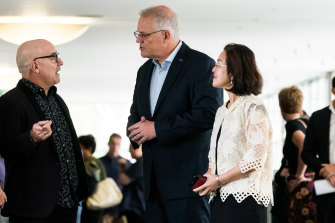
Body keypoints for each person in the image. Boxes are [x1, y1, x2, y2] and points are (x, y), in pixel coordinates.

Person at [127, 5, 223, 223]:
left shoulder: (201, 65)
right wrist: (135, 132)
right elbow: (135, 113)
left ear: (166, 35)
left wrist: (157, 129)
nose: (137, 40)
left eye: (143, 35)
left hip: (188, 183)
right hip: (152, 184)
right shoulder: (144, 71)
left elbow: (208, 114)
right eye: (137, 34)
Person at [0, 39, 87, 222]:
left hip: (67, 204)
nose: (60, 62)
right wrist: (30, 138)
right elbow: (5, 149)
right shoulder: (10, 102)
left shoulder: (58, 100)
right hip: (33, 208)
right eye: (54, 57)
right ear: (35, 66)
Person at [193, 43, 272, 223]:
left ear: (234, 72)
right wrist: (210, 177)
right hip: (220, 199)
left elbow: (255, 158)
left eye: (219, 64)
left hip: (245, 200)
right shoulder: (222, 110)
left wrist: (219, 179)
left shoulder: (253, 106)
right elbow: (218, 157)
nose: (213, 69)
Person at [272, 86, 316, 223]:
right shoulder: (306, 122)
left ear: (281, 107)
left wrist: (299, 175)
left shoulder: (292, 125)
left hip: (300, 186)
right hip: (311, 183)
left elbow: (304, 146)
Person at [302, 76, 335, 223]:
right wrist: (323, 170)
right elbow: (306, 153)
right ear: (333, 91)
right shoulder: (318, 117)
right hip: (326, 188)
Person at [99, 133, 130, 218]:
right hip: (102, 205)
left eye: (118, 144)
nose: (115, 147)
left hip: (120, 207)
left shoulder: (126, 163)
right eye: (113, 143)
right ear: (108, 143)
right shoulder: (99, 162)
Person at [79, 135, 107, 223]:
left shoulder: (91, 164)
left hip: (91, 206)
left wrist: (82, 197)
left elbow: (92, 184)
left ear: (89, 149)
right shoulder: (96, 161)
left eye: (81, 148)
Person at [119, 145, 145, 223]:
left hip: (137, 208)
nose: (129, 151)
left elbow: (123, 180)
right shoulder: (141, 163)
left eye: (131, 148)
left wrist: (121, 167)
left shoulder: (140, 164)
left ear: (138, 148)